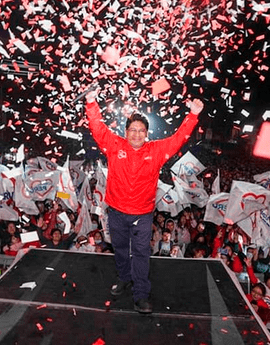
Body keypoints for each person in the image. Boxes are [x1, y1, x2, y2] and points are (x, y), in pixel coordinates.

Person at [85, 89, 204, 314]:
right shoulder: (114, 145)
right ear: (126, 131)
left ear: (147, 133)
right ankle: (123, 277)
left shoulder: (157, 150)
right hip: (117, 212)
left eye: (141, 131)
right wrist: (91, 101)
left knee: (141, 254)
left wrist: (193, 115)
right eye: (133, 130)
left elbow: (179, 139)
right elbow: (98, 128)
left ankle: (141, 295)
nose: (137, 134)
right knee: (119, 249)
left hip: (142, 214)